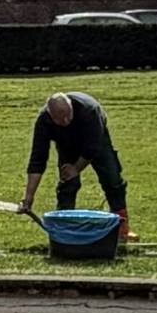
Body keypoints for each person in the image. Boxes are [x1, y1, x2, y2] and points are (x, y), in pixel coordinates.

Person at [19, 91, 132, 244]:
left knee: (112, 179)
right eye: (60, 119)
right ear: (51, 116)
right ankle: (65, 228)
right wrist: (29, 196)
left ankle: (121, 228)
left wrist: (76, 168)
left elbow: (92, 148)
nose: (66, 121)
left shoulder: (89, 111)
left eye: (68, 115)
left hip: (96, 138)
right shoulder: (44, 122)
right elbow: (37, 159)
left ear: (71, 107)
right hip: (66, 144)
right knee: (68, 185)